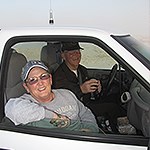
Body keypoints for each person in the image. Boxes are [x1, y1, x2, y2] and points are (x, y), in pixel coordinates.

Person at [5, 60, 100, 133]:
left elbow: (85, 112)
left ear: (50, 79)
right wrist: (54, 117)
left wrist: (90, 130)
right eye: (33, 80)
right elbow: (11, 108)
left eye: (43, 77)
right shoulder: (26, 103)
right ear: (26, 87)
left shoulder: (66, 93)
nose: (40, 83)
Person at [52, 42, 125, 133]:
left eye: (78, 52)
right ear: (63, 56)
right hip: (77, 109)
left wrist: (96, 84)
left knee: (115, 97)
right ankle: (118, 133)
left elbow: (87, 83)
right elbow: (63, 97)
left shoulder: (82, 69)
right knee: (112, 107)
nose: (76, 55)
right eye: (71, 53)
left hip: (87, 101)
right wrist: (81, 89)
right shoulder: (59, 76)